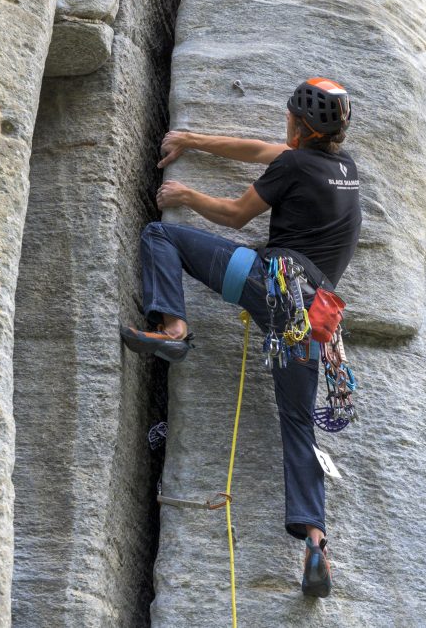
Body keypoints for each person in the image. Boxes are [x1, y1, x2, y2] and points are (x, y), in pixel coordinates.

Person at [121, 78, 361, 598]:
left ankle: (174, 329)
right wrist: (194, 140)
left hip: (268, 284)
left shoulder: (295, 164)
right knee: (298, 425)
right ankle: (315, 542)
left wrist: (185, 194)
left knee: (160, 236)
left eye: (290, 116)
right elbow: (258, 152)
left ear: (300, 123)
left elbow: (235, 214)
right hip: (313, 319)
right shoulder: (344, 170)